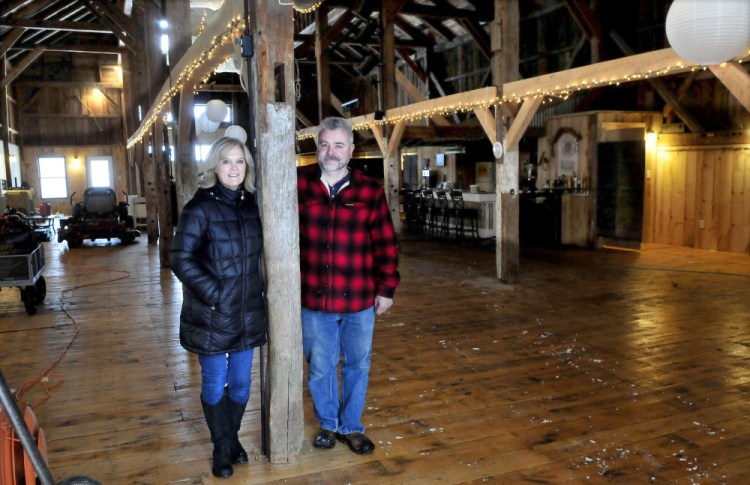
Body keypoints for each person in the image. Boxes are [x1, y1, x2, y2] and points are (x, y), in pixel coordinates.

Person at [297, 116, 400, 455]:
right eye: (325, 144)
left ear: (351, 150)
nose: (331, 151)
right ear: (317, 147)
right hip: (314, 296)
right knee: (321, 366)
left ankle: (351, 426)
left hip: (359, 298)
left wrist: (386, 289)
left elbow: (384, 243)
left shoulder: (370, 190)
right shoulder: (298, 185)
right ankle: (328, 423)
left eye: (339, 145)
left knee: (358, 364)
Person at [170, 136, 266, 478]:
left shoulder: (254, 204)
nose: (234, 168)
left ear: (247, 167)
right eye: (227, 161)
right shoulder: (199, 207)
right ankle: (221, 448)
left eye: (240, 161)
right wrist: (216, 292)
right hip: (212, 313)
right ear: (214, 167)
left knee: (241, 383)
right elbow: (180, 258)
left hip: (246, 310)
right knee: (214, 382)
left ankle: (231, 438)